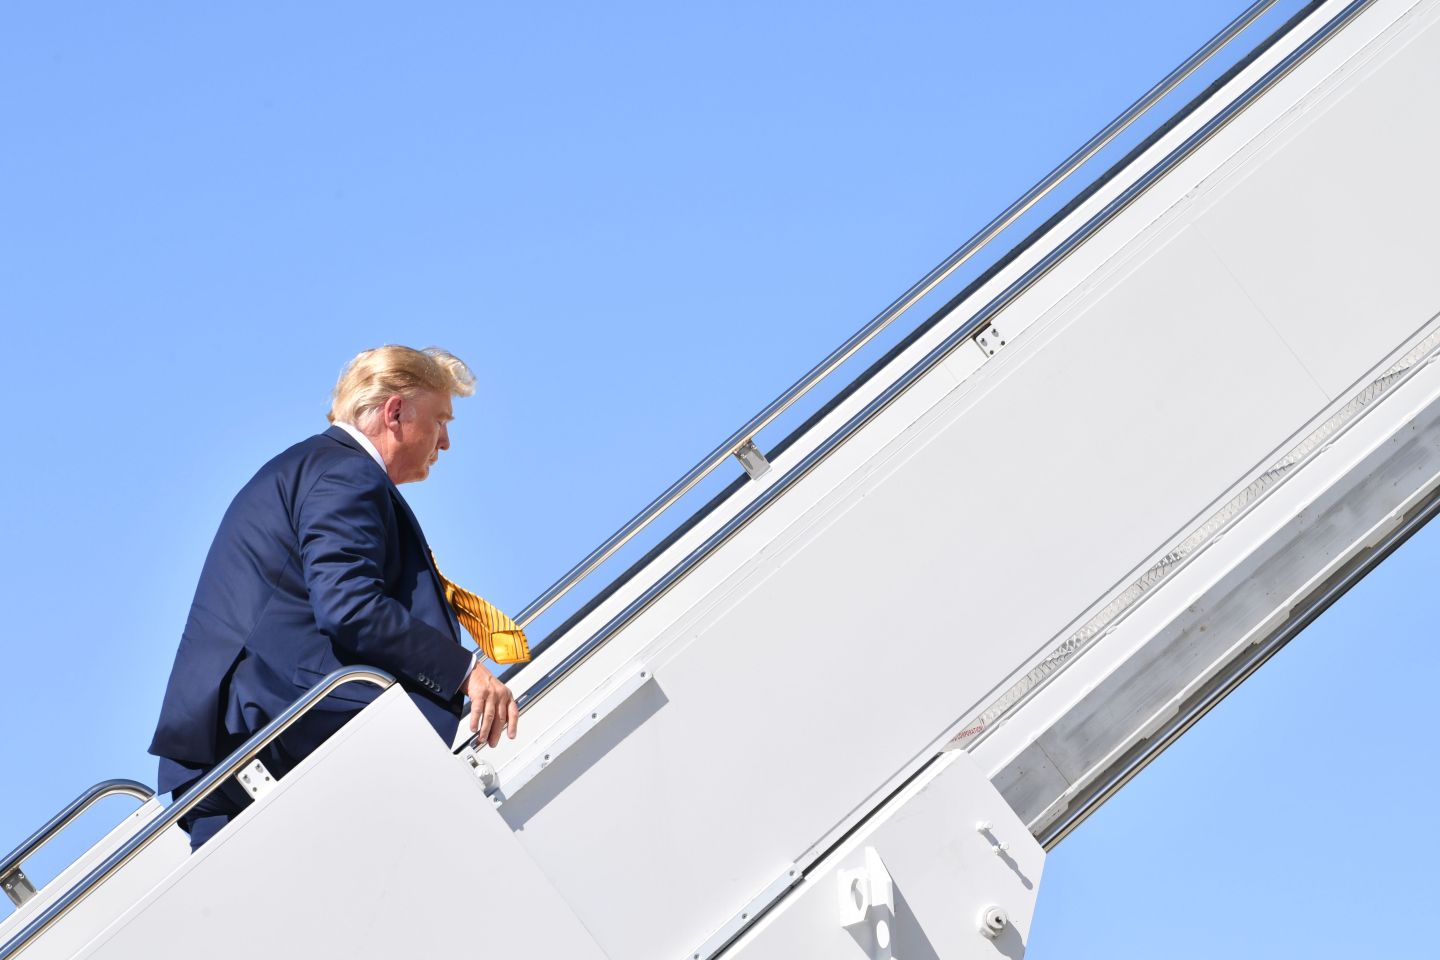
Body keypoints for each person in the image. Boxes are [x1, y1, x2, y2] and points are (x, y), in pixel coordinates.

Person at [148, 345, 518, 849]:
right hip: (273, 730)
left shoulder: (314, 466)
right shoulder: (345, 475)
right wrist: (463, 671)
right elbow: (350, 607)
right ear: (395, 413)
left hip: (236, 743)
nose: (446, 441)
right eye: (440, 420)